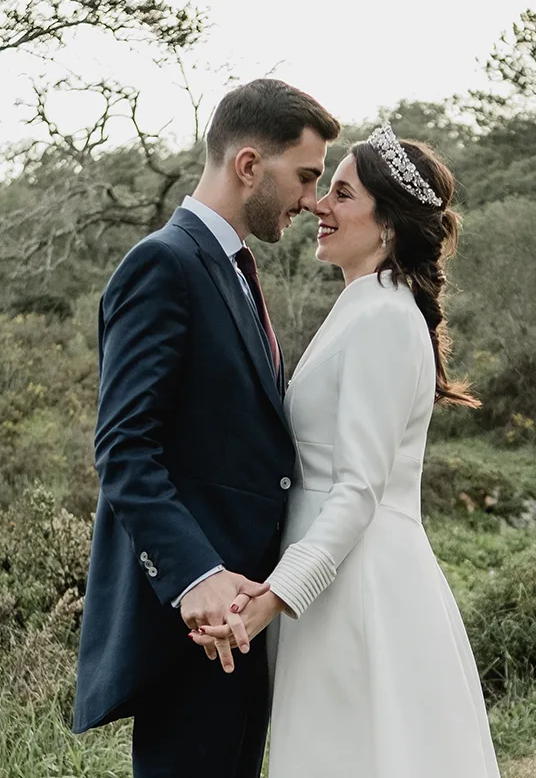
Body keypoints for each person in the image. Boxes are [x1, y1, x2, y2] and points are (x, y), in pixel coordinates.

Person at [191, 124, 500, 777]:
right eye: (322, 189)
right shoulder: (364, 306)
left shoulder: (385, 317)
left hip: (358, 590)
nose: (317, 207)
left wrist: (275, 595)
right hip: (330, 587)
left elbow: (358, 488)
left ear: (386, 222)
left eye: (341, 194)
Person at [71, 78, 338, 778]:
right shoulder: (164, 263)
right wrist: (195, 578)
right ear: (249, 165)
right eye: (305, 176)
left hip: (243, 615)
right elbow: (124, 448)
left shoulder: (234, 270)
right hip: (196, 624)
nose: (312, 199)